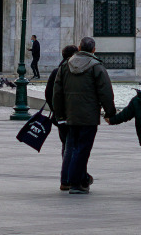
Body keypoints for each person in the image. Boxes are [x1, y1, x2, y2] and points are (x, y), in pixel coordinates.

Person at [51, 36, 116, 194]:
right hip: (89, 117)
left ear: (79, 48)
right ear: (93, 50)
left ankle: (73, 180)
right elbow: (105, 92)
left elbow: (57, 93)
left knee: (72, 147)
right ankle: (76, 183)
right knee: (83, 149)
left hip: (70, 116)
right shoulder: (96, 67)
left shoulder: (65, 66)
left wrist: (60, 115)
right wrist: (110, 112)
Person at [46, 44, 90, 192]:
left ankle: (77, 175)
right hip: (72, 116)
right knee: (74, 147)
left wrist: (56, 112)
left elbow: (49, 94)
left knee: (67, 146)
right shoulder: (71, 71)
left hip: (60, 117)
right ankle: (69, 179)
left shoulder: (56, 71)